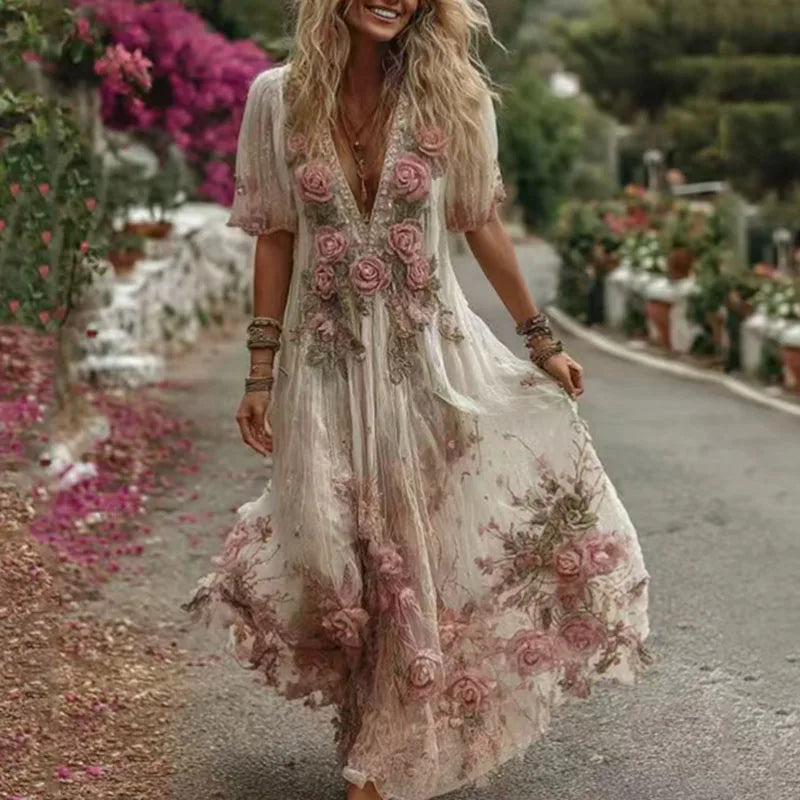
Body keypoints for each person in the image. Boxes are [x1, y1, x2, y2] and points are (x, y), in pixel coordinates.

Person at [184, 2, 651, 799]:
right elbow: (276, 234)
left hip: (433, 365)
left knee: (420, 549)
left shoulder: (454, 97)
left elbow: (481, 224)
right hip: (326, 368)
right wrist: (260, 372)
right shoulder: (277, 98)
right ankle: (376, 727)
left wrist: (541, 339)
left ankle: (388, 753)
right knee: (344, 556)